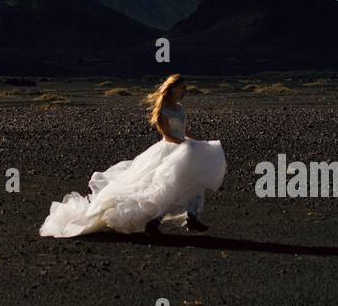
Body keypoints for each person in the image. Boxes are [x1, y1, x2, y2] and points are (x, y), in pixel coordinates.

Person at [39, 74, 226, 238]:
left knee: (193, 181)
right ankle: (154, 222)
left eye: (185, 87)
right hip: (169, 150)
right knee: (165, 187)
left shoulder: (180, 108)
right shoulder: (163, 109)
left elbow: (185, 130)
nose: (185, 90)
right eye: (182, 87)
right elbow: (167, 135)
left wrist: (198, 142)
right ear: (172, 88)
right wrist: (184, 144)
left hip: (184, 149)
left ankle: (191, 217)